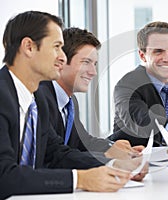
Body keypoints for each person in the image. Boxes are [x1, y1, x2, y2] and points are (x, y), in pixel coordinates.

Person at [0, 11, 140, 199]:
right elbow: (4, 176)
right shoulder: (3, 96)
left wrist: (114, 165)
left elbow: (56, 153)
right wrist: (79, 179)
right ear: (29, 47)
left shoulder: (36, 101)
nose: (63, 57)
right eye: (57, 47)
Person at [39, 27, 147, 181]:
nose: (93, 72)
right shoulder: (41, 98)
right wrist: (112, 161)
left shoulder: (69, 101)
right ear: (61, 61)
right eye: (86, 62)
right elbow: (57, 154)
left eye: (94, 64)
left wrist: (113, 148)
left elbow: (83, 142)